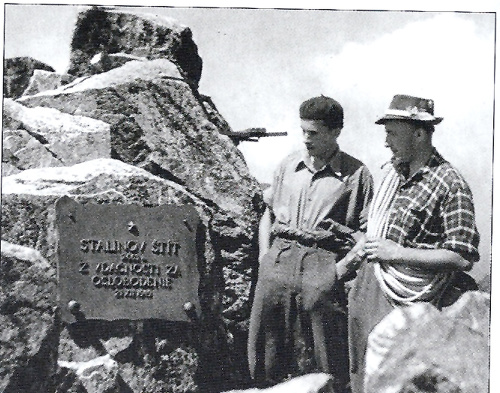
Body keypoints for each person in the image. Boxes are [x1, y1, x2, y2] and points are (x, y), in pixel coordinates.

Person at [347, 94, 480, 393]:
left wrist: (396, 253)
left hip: (405, 299)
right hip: (370, 284)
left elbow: (461, 257)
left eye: (392, 133)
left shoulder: (449, 183)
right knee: (360, 372)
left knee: (392, 377)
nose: (386, 142)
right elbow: (371, 229)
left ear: (419, 133)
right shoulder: (392, 175)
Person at [247, 95, 374, 392]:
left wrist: (340, 270)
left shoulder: (357, 175)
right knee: (266, 341)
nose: (305, 139)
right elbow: (267, 212)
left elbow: (368, 233)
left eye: (314, 133)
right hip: (279, 258)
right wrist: (265, 256)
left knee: (325, 348)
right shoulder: (288, 166)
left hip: (322, 262)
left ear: (335, 132)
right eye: (303, 130)